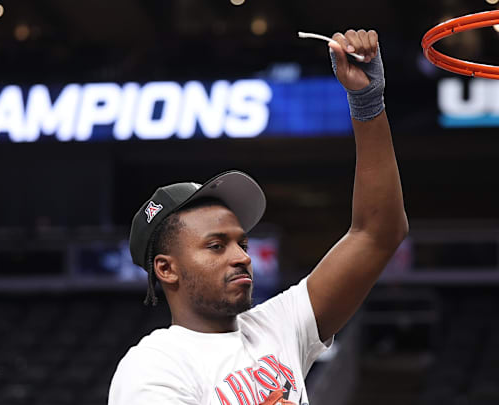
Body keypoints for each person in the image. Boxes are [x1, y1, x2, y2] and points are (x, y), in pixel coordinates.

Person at [108, 29, 408, 405]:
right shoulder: (153, 367)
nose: (242, 256)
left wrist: (366, 102)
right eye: (216, 246)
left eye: (241, 242)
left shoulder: (277, 326)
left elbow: (378, 233)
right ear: (167, 269)